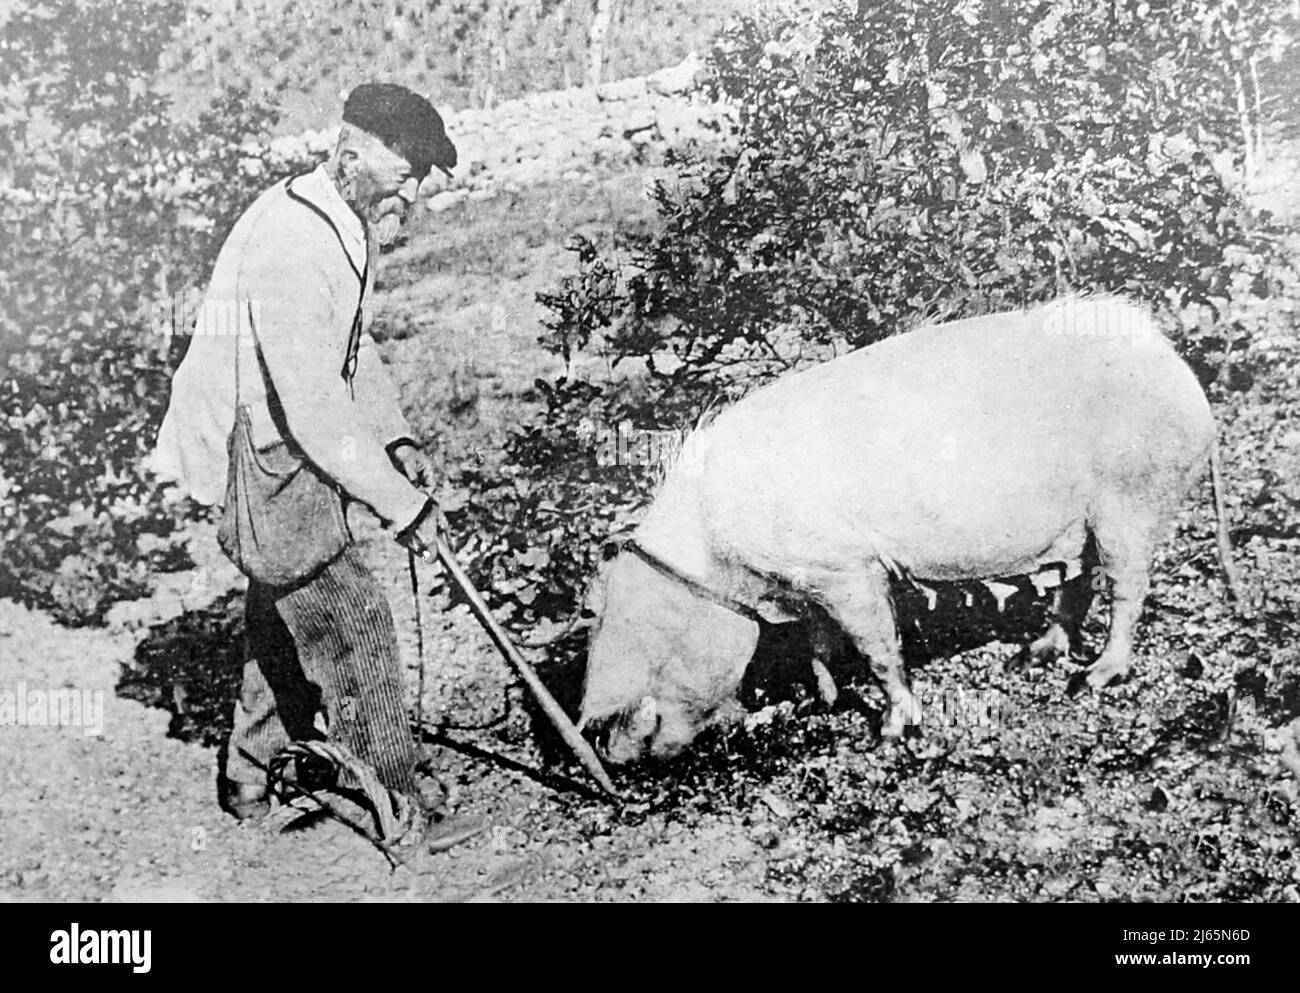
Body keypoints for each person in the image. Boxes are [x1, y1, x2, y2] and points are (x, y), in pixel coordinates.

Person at [150, 83, 485, 850]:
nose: (418, 185)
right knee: (351, 617)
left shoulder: (343, 223)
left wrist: (395, 438)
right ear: (351, 152)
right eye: (407, 168)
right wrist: (404, 507)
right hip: (262, 454)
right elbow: (313, 407)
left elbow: (353, 349)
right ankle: (394, 804)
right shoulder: (293, 242)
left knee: (285, 608)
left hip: (287, 444)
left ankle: (248, 772)